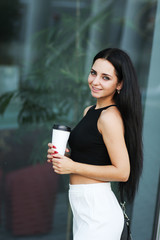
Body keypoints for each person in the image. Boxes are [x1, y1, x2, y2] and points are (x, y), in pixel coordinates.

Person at [47, 48, 143, 240]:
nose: (95, 81)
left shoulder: (110, 118)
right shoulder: (89, 111)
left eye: (105, 77)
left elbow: (122, 172)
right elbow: (93, 157)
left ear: (120, 84)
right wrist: (64, 158)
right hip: (83, 209)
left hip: (98, 213)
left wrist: (72, 166)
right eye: (93, 73)